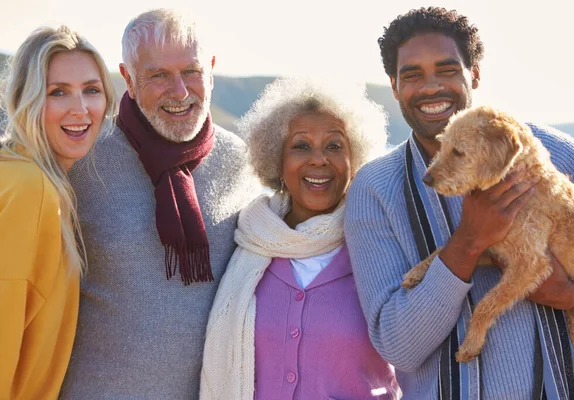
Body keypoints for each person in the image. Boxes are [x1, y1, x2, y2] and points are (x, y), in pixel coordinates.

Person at [344, 6, 574, 400]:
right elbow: (399, 348)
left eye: (447, 70)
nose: (430, 88)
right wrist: (468, 241)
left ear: (474, 74)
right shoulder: (375, 188)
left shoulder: (555, 155)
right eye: (412, 75)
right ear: (394, 87)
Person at [59, 9, 260, 398]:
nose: (180, 91)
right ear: (129, 79)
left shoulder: (245, 162)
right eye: (158, 75)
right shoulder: (83, 163)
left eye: (192, 71)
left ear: (212, 70)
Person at [200, 77, 399, 399]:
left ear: (354, 160)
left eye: (334, 146)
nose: (318, 159)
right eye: (301, 146)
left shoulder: (380, 246)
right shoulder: (247, 242)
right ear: (277, 161)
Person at [0, 25, 116, 399]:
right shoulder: (30, 190)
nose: (80, 109)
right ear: (25, 99)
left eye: (92, 90)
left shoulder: (17, 174)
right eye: (58, 92)